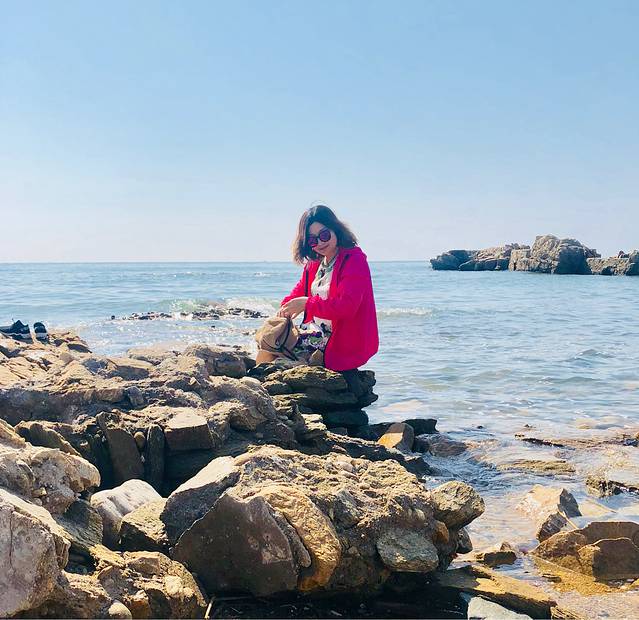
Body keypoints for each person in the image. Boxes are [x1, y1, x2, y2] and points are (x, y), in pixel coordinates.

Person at [256, 205, 378, 372]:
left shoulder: (353, 260)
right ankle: (261, 379)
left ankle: (261, 379)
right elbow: (298, 292)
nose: (320, 243)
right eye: (313, 240)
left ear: (335, 229)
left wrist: (307, 304)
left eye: (324, 235)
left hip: (341, 341)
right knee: (267, 339)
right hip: (316, 333)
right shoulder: (315, 263)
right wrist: (286, 308)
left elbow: (347, 307)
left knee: (273, 351)